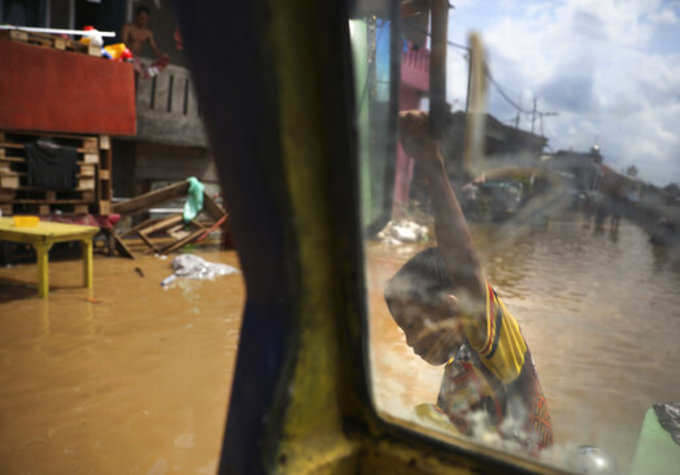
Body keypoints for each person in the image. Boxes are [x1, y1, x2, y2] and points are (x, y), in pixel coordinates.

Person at [384, 111, 553, 453]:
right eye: (405, 331)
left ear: (453, 307)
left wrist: (432, 163)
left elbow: (465, 264)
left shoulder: (497, 347)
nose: (411, 342)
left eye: (414, 325)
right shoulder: (460, 365)